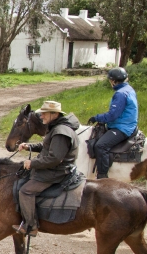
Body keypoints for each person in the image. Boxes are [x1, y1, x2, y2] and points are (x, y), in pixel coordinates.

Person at [14, 100, 80, 236]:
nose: (41, 116)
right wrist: (30, 146)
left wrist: (32, 164)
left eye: (44, 114)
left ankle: (30, 226)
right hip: (54, 168)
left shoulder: (61, 132)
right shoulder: (56, 127)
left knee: (26, 191)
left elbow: (54, 158)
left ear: (54, 114)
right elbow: (48, 147)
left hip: (56, 172)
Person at [87, 67, 138, 179]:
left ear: (113, 81)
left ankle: (102, 177)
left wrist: (97, 117)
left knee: (101, 146)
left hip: (122, 128)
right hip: (126, 124)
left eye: (110, 80)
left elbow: (113, 115)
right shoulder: (128, 88)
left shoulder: (120, 94)